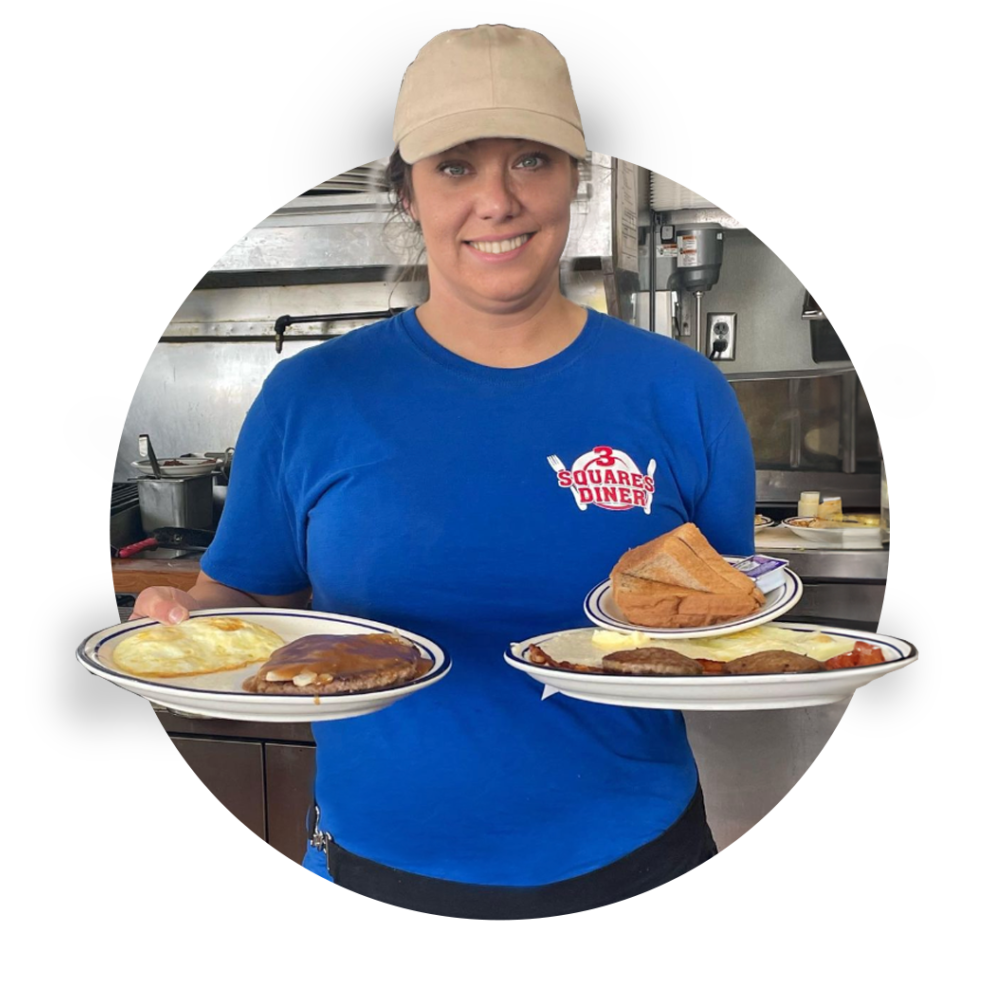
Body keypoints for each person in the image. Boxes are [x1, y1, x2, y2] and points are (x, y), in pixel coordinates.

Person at [132, 24, 757, 919]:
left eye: (532, 160)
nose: (497, 201)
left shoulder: (682, 392)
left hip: (640, 856)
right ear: (408, 192)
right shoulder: (313, 395)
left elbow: (727, 620)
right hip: (378, 863)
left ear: (575, 180)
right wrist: (181, 624)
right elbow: (239, 604)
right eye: (457, 166)